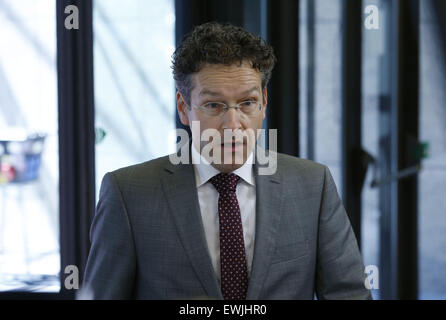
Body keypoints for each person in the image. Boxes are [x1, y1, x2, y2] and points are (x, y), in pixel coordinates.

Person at [82, 22, 372, 300]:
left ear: (264, 102)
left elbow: (349, 295)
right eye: (213, 105)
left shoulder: (313, 185)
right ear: (184, 108)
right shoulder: (128, 193)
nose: (233, 124)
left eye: (247, 103)